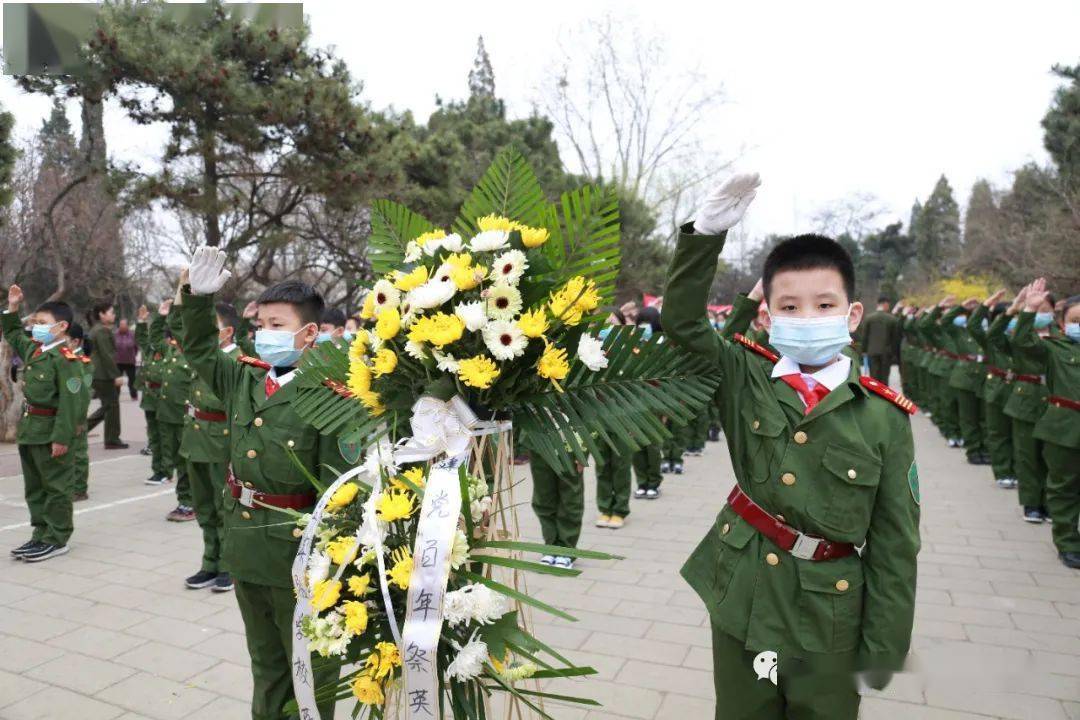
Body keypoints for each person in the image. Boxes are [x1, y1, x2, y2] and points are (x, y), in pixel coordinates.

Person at [663, 173, 918, 720]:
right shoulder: (745, 374)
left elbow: (895, 542)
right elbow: (682, 324)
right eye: (791, 307)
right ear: (768, 316)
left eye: (824, 305)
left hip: (828, 611)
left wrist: (884, 646)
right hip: (744, 591)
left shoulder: (883, 417)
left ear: (852, 315)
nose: (808, 319)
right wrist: (704, 234)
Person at [180, 247, 345, 720]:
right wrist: (196, 299)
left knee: (309, 670)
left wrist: (330, 568)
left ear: (309, 333)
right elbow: (199, 350)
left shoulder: (331, 395)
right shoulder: (244, 378)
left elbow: (339, 494)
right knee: (266, 663)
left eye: (277, 325)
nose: (264, 334)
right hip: (246, 546)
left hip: (297, 555)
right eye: (261, 324)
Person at [3, 286, 92, 562]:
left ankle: (57, 538)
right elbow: (13, 333)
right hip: (31, 430)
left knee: (56, 488)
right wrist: (13, 308)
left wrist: (62, 438)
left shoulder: (67, 360)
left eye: (42, 323)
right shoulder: (36, 350)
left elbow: (71, 403)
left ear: (62, 327)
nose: (36, 328)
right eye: (36, 323)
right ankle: (40, 533)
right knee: (35, 487)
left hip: (52, 432)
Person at [1012, 279, 1080, 568]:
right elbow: (1021, 343)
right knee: (1064, 487)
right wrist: (1028, 310)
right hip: (1064, 427)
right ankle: (1068, 543)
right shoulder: (1055, 348)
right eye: (1075, 321)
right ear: (1062, 325)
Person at [180, 301, 243, 593]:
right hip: (197, 440)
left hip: (221, 442)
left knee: (223, 507)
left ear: (227, 332)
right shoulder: (206, 358)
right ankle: (209, 562)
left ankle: (228, 566)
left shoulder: (237, 362)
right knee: (203, 507)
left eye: (211, 327)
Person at [1002, 285, 1054, 523]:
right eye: (1036, 309)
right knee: (1028, 455)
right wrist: (1020, 309)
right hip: (1026, 400)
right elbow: (1012, 337)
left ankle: (1051, 502)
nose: (1041, 313)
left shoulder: (1062, 336)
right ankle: (1032, 503)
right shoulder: (1022, 334)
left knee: (1053, 457)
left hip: (1055, 402)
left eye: (1045, 309)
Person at [150, 300, 195, 521]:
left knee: (186, 463)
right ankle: (184, 500)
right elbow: (154, 338)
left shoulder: (194, 356)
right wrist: (160, 316)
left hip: (185, 419)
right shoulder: (170, 350)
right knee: (177, 462)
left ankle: (189, 502)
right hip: (167, 417)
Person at [969, 291, 1018, 489]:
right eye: (1005, 317)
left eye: (1014, 316)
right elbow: (973, 326)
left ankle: (1019, 471)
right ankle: (1003, 472)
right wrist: (984, 306)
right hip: (997, 388)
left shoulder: (1024, 337)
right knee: (998, 433)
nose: (1011, 321)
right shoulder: (989, 338)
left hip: (1021, 390)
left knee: (1020, 436)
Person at [630, 306, 666, 498]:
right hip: (634, 403)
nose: (644, 327)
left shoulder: (663, 345)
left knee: (652, 446)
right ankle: (641, 482)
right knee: (636, 445)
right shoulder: (633, 345)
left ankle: (654, 482)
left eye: (648, 323)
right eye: (641, 323)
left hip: (655, 403)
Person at [530, 454, 585, 567]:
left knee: (570, 499)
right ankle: (551, 547)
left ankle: (567, 550)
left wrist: (582, 453)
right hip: (539, 448)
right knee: (543, 498)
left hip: (569, 449)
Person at [135, 305, 169, 484]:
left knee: (166, 437)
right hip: (150, 399)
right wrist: (141, 322)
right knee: (154, 437)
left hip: (165, 400)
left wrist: (161, 318)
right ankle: (159, 470)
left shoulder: (169, 352)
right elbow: (141, 338)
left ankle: (168, 469)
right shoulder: (150, 350)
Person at [85, 301, 127, 448]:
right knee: (110, 406)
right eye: (111, 312)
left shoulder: (96, 329)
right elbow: (107, 355)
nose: (114, 315)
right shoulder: (101, 331)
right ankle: (82, 431)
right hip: (103, 374)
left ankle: (111, 439)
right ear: (101, 314)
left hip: (98, 373)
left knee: (109, 406)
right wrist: (116, 375)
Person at [65, 321, 93, 501]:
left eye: (64, 339)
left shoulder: (83, 362)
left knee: (79, 453)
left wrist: (80, 420)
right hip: (66, 414)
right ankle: (70, 485)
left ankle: (80, 489)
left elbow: (84, 395)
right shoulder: (66, 358)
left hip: (76, 416)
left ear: (75, 341)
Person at [857, 297, 900, 384]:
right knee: (884, 377)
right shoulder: (892, 319)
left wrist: (863, 350)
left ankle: (874, 392)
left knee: (873, 377)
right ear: (885, 304)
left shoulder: (869, 318)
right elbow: (895, 338)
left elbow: (865, 336)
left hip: (872, 351)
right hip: (886, 352)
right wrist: (895, 353)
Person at [114, 317, 139, 400]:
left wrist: (133, 355)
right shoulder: (115, 335)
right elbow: (112, 347)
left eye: (124, 324)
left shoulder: (132, 335)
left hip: (130, 361)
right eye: (121, 324)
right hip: (118, 361)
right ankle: (116, 396)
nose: (122, 326)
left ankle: (134, 395)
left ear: (127, 326)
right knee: (117, 380)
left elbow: (136, 347)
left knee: (132, 380)